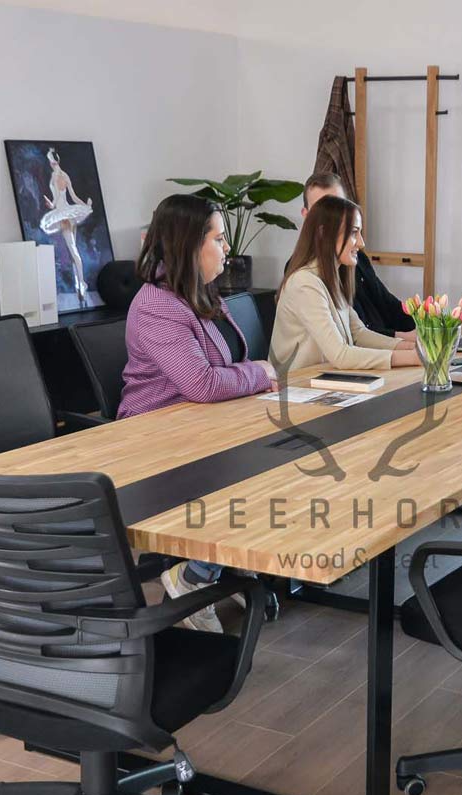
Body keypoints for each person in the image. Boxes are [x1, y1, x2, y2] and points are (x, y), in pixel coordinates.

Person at [119, 193, 279, 631]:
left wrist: (251, 375)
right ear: (190, 245)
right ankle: (193, 577)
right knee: (247, 466)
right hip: (156, 436)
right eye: (218, 238)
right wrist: (260, 373)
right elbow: (202, 383)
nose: (226, 248)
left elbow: (221, 369)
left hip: (202, 423)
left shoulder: (199, 292)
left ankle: (227, 565)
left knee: (278, 455)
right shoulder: (157, 304)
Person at [272, 195, 420, 372]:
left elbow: (358, 334)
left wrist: (409, 347)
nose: (361, 242)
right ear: (323, 233)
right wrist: (412, 357)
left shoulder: (332, 277)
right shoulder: (304, 284)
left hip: (323, 380)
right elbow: (341, 355)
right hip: (296, 388)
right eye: (353, 232)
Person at [300, 173, 416, 340]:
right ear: (306, 216)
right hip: (356, 359)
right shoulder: (306, 275)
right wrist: (406, 341)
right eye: (324, 209)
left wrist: (428, 327)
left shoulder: (357, 258)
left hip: (379, 351)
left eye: (340, 206)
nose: (334, 215)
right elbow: (347, 342)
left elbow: (387, 305)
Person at [39, 148, 95, 305]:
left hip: (64, 215)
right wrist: (86, 206)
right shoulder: (65, 175)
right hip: (69, 213)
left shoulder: (55, 177)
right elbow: (74, 196)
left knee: (73, 251)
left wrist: (50, 204)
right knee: (73, 251)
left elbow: (56, 202)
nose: (51, 164)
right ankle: (79, 284)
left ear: (52, 162)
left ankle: (82, 284)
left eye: (51, 161)